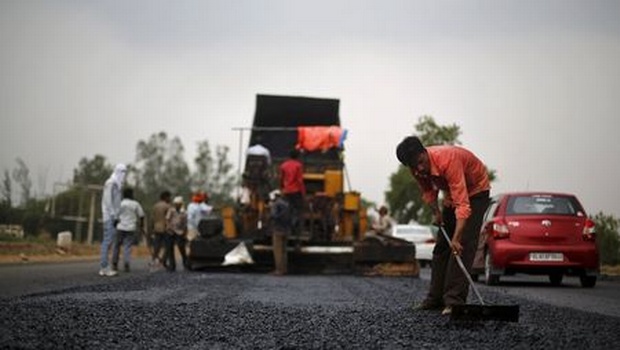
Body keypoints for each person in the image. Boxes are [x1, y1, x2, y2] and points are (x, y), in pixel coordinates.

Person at [396, 135, 490, 316]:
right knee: (441, 248)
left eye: (421, 162)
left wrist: (456, 238)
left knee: (461, 245)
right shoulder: (415, 167)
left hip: (476, 191)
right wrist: (436, 212)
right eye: (415, 166)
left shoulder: (448, 160)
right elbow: (428, 191)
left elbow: (463, 204)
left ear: (425, 152)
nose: (420, 168)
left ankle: (454, 301)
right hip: (451, 192)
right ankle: (435, 298)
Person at [99, 163, 127, 277]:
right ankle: (104, 267)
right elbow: (108, 201)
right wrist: (114, 215)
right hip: (110, 217)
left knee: (109, 242)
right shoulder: (110, 183)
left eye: (125, 172)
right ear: (117, 171)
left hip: (113, 217)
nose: (124, 174)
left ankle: (105, 267)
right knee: (107, 241)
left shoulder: (116, 183)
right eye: (122, 171)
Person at [112, 187, 145, 273]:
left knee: (116, 246)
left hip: (120, 227)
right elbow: (141, 215)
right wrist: (141, 226)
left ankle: (114, 263)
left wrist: (114, 225)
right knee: (127, 246)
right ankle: (126, 263)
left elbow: (115, 217)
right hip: (131, 228)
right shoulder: (135, 204)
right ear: (131, 194)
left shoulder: (120, 203)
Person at [279, 149, 305, 236]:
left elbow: (281, 179)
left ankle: (286, 228)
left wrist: (282, 189)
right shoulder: (298, 166)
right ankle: (296, 229)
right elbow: (299, 180)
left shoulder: (283, 166)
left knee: (287, 210)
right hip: (296, 191)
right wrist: (303, 192)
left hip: (286, 191)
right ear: (297, 156)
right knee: (298, 211)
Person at [164, 196, 188, 272]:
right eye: (176, 204)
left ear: (181, 204)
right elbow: (167, 220)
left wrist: (184, 232)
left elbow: (185, 223)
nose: (177, 205)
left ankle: (186, 263)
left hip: (179, 231)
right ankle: (172, 265)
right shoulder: (171, 210)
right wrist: (168, 227)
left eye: (178, 204)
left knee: (181, 248)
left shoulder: (184, 212)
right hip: (171, 231)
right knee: (170, 248)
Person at [269, 190, 290, 275]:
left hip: (278, 230)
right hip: (286, 230)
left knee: (277, 251)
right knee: (284, 251)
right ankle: (284, 269)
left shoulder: (276, 204)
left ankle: (278, 270)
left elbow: (273, 215)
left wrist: (271, 207)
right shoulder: (286, 204)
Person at [150, 190, 171, 269]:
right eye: (169, 197)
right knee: (168, 246)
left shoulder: (155, 206)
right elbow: (169, 218)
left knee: (157, 246)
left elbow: (152, 218)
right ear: (166, 197)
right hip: (165, 228)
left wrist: (152, 228)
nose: (170, 199)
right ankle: (163, 261)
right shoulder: (167, 206)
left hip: (156, 227)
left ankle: (153, 260)